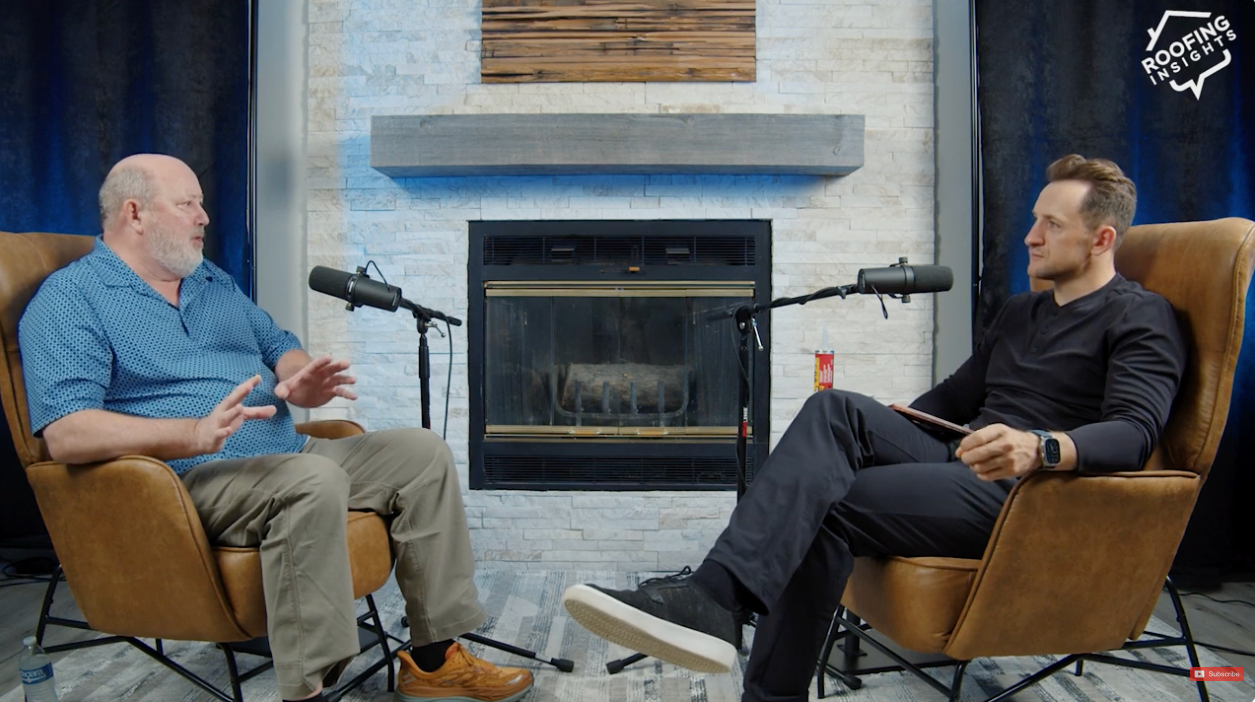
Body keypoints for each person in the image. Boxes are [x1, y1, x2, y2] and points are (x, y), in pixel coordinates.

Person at [562, 154, 1187, 701]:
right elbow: (955, 395)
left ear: (1102, 239)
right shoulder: (1024, 311)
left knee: (825, 505)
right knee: (834, 409)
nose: (1029, 237)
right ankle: (716, 597)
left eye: (1052, 225)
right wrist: (884, 427)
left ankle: (739, 643)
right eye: (1033, 219)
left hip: (1028, 494)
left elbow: (1134, 434)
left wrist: (1041, 447)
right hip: (961, 460)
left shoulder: (1141, 318)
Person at [18, 154, 534, 702]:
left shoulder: (209, 279)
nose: (204, 216)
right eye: (187, 203)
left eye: (201, 202)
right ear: (134, 213)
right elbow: (67, 433)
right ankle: (307, 691)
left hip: (288, 450)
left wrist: (300, 381)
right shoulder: (70, 300)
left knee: (421, 453)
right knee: (311, 482)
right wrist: (191, 433)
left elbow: (276, 343)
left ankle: (433, 663)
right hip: (188, 480)